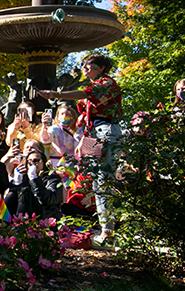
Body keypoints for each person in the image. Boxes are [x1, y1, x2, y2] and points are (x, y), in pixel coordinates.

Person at [36, 53, 121, 244]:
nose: (83, 67)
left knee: (104, 181)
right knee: (97, 182)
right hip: (93, 133)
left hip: (106, 130)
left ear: (100, 67)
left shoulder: (106, 83)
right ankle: (105, 229)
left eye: (87, 64)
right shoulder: (94, 90)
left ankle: (108, 231)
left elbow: (85, 94)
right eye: (82, 64)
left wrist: (55, 95)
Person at [39, 104, 79, 168]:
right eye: (62, 114)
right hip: (56, 161)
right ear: (58, 116)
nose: (64, 116)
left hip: (71, 162)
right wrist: (44, 125)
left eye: (67, 114)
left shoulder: (76, 130)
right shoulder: (54, 129)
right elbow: (45, 139)